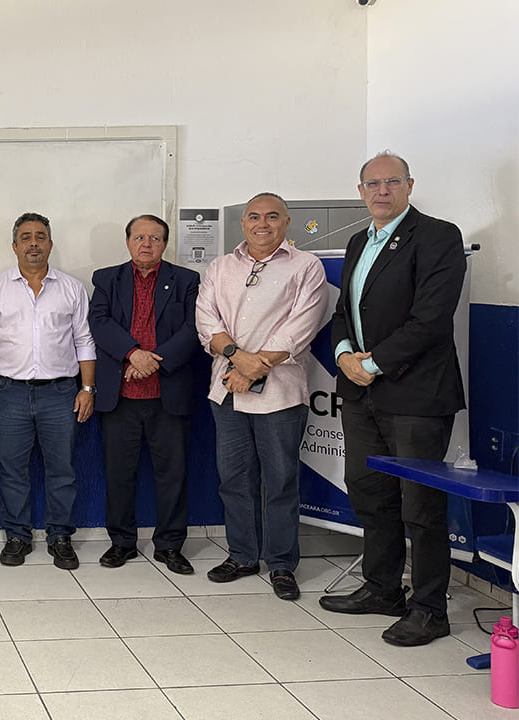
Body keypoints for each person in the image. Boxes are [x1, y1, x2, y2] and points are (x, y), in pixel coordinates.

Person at [318, 152, 467, 646]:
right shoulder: (360, 240)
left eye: (392, 182)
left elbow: (431, 319)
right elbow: (344, 311)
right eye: (373, 184)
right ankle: (383, 589)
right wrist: (343, 355)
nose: (382, 191)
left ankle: (430, 609)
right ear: (360, 191)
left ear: (409, 186)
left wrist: (373, 363)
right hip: (360, 390)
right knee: (369, 491)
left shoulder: (438, 236)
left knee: (420, 506)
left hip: (415, 393)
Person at [194, 192, 328, 601]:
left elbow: (301, 326)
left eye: (272, 216)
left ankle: (282, 563)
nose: (262, 224)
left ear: (286, 222)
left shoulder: (306, 266)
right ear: (243, 223)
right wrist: (238, 358)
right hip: (227, 391)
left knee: (281, 481)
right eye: (254, 217)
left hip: (281, 395)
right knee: (234, 479)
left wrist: (254, 367)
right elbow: (206, 320)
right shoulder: (220, 267)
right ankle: (242, 556)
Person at [0, 212, 96, 569]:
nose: (33, 244)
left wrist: (87, 388)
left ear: (50, 244)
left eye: (40, 237)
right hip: (8, 392)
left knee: (62, 469)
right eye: (25, 237)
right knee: (13, 470)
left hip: (61, 393)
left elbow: (84, 341)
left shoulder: (71, 288)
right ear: (14, 246)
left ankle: (60, 537)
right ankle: (17, 536)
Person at [89, 214, 200, 575]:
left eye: (155, 238)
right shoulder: (107, 279)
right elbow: (99, 322)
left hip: (168, 393)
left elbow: (193, 329)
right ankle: (122, 543)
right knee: (119, 474)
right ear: (128, 242)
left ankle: (169, 545)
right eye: (139, 237)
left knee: (173, 475)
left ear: (165, 244)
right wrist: (132, 354)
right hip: (120, 396)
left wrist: (153, 362)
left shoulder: (187, 280)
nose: (147, 244)